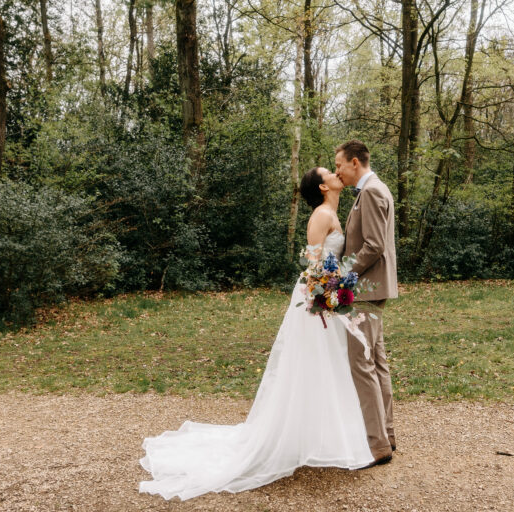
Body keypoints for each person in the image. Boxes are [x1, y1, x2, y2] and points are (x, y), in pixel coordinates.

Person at [139, 166, 374, 501]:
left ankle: (321, 438)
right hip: (316, 297)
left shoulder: (333, 211)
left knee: (325, 365)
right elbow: (313, 263)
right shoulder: (321, 215)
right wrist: (325, 294)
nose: (337, 172)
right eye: (330, 172)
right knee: (310, 365)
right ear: (323, 186)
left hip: (327, 295)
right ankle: (296, 438)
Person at [334, 140, 398, 467]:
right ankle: (385, 434)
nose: (338, 172)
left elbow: (373, 246)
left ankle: (377, 446)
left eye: (339, 166)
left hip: (366, 290)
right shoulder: (374, 189)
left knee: (362, 364)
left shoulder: (370, 192)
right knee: (377, 362)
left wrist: (344, 273)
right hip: (374, 290)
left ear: (355, 162)